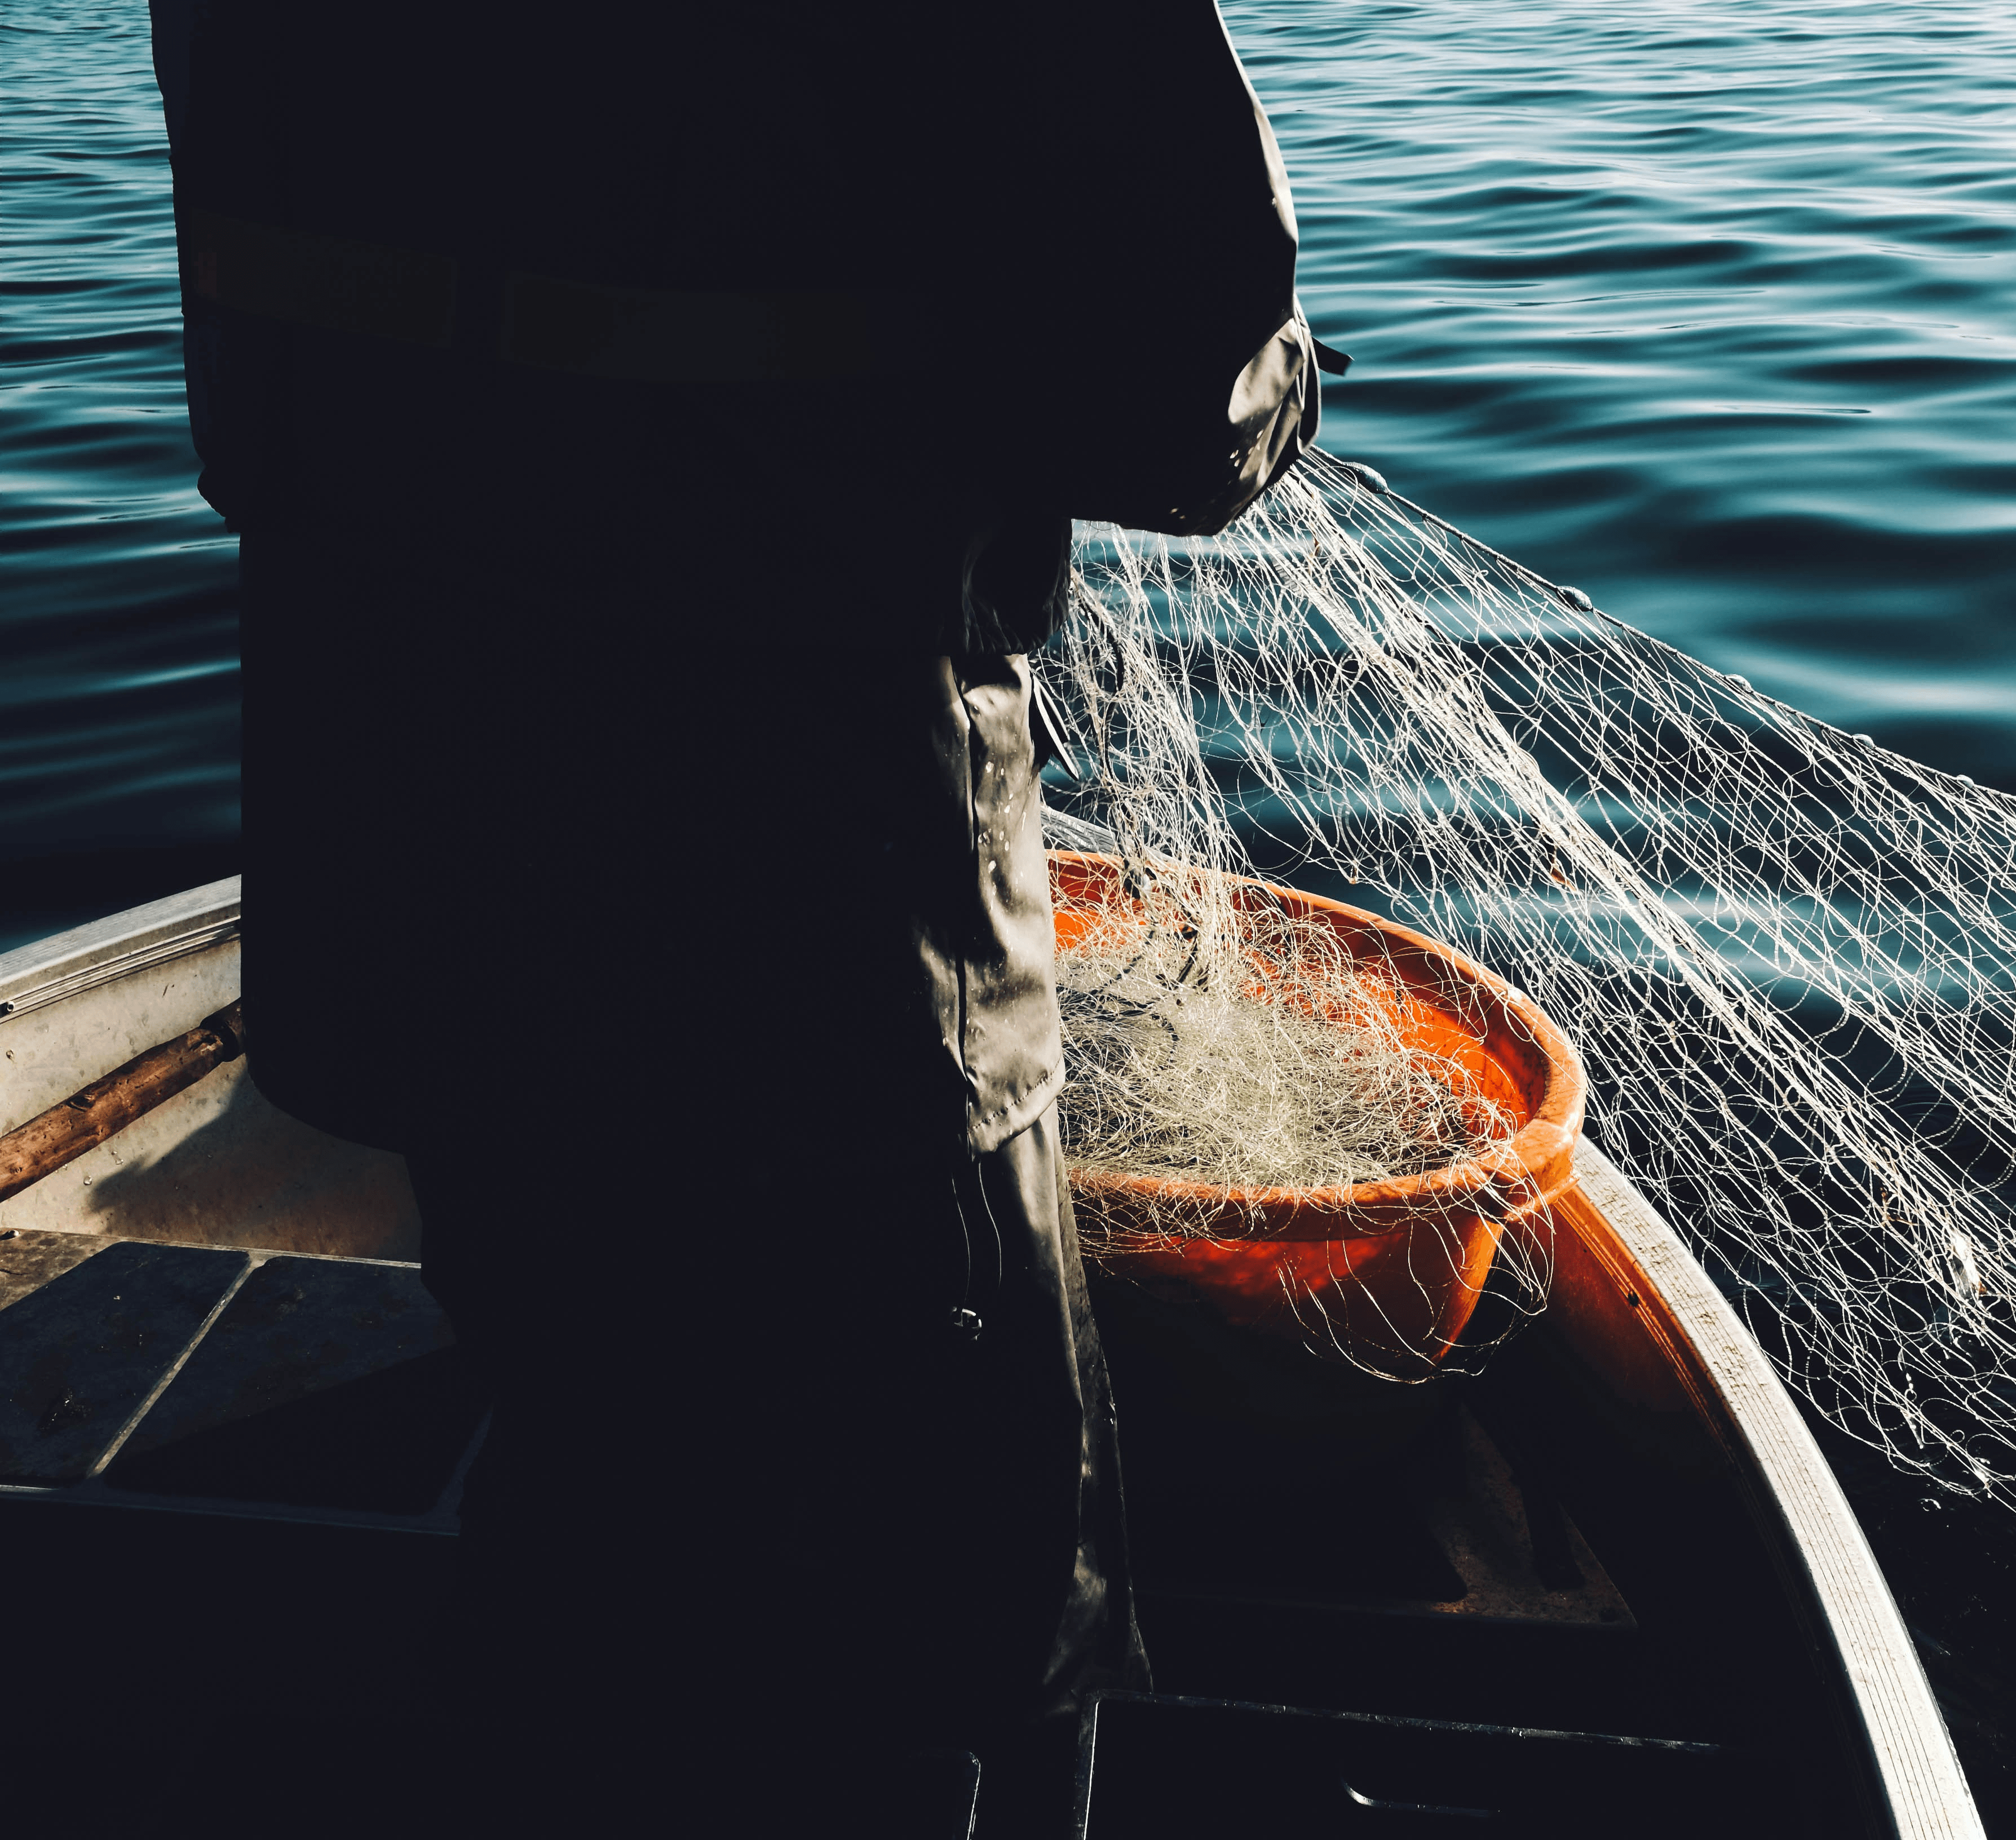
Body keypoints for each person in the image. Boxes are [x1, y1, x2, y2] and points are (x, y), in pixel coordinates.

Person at [153, 2, 1320, 1829]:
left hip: (413, 848)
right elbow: (1179, 383)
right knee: (948, 1623)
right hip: (820, 930)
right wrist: (1276, 390)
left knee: (591, 1468)